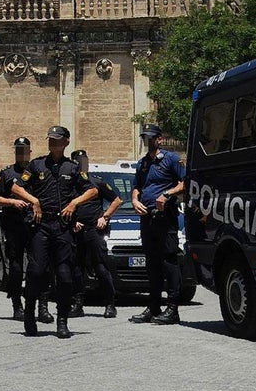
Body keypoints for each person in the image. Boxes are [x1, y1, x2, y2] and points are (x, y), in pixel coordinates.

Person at [11, 126, 97, 339]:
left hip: (63, 227)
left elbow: (93, 190)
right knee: (36, 272)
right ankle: (30, 315)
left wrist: (74, 203)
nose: (53, 143)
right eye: (50, 140)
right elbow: (16, 187)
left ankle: (62, 321)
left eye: (57, 140)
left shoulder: (73, 167)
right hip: (41, 226)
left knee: (65, 276)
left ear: (66, 142)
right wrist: (34, 201)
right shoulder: (37, 164)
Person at [128, 124, 187, 326]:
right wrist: (135, 201)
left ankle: (173, 308)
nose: (148, 141)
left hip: (165, 218)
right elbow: (136, 187)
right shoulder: (143, 163)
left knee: (169, 262)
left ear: (160, 139)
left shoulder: (170, 159)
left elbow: (185, 182)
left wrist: (167, 194)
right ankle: (154, 306)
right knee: (152, 263)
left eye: (151, 138)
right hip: (147, 218)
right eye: (145, 138)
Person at [68, 150, 120, 319]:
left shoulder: (96, 182)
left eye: (84, 161)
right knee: (76, 268)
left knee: (100, 267)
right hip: (76, 231)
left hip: (94, 231)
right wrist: (72, 221)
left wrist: (105, 217)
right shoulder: (69, 185)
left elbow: (117, 200)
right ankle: (77, 304)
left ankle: (110, 303)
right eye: (78, 162)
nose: (82, 165)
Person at [0, 137, 33, 320]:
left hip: (33, 225)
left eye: (24, 150)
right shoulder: (6, 174)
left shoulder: (37, 171)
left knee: (39, 267)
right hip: (14, 227)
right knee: (15, 269)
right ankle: (17, 304)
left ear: (30, 152)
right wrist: (12, 202)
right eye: (18, 150)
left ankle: (41, 306)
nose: (21, 153)